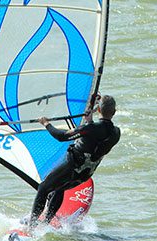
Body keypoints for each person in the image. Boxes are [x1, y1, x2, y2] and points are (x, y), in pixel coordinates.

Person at [27, 94, 120, 230]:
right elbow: (96, 137)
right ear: (114, 112)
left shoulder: (89, 129)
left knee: (43, 188)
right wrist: (89, 121)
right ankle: (45, 223)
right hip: (85, 174)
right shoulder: (116, 133)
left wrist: (46, 123)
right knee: (59, 188)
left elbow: (61, 136)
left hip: (71, 168)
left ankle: (31, 227)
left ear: (98, 110)